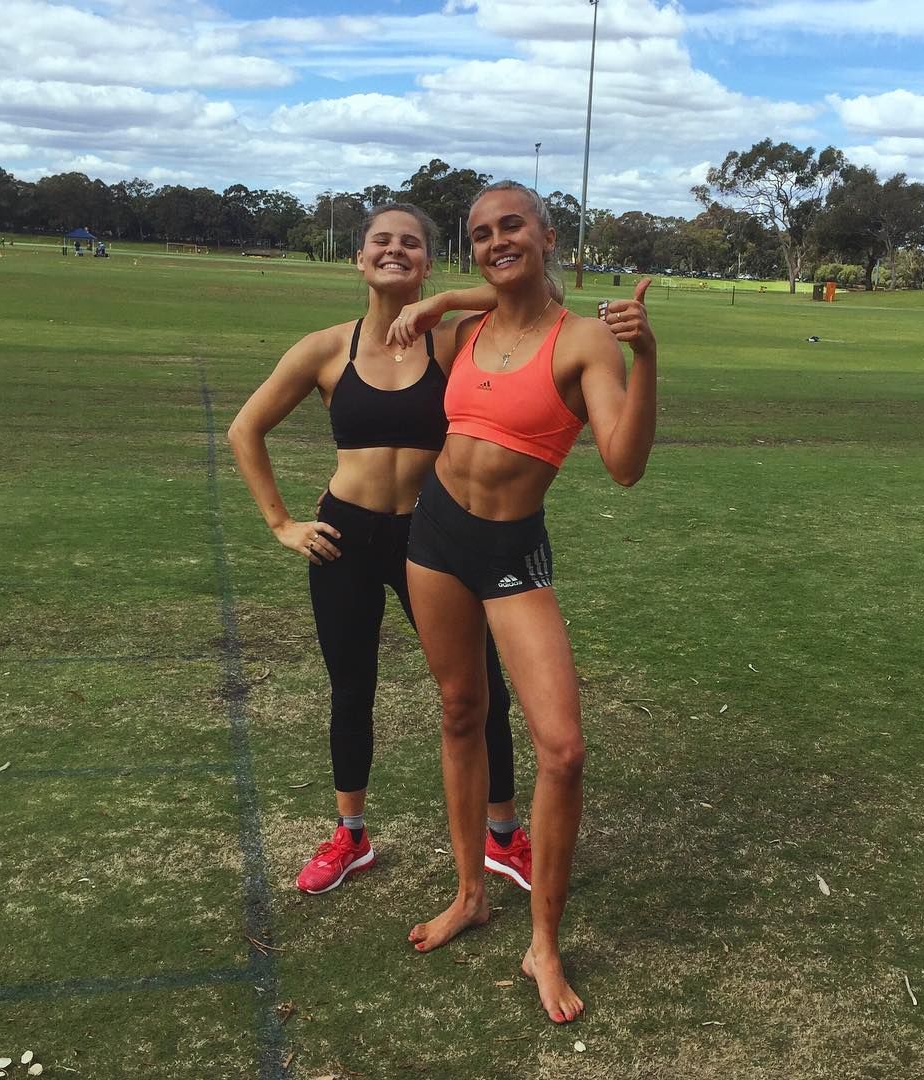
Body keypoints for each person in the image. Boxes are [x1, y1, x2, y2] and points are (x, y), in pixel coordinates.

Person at [394, 181, 656, 1024]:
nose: (497, 241)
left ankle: (544, 943)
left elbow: (624, 465)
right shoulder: (463, 332)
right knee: (459, 711)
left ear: (548, 235)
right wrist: (441, 298)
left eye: (513, 226)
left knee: (563, 750)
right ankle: (470, 893)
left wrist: (648, 358)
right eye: (481, 233)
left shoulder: (585, 341)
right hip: (434, 535)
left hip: (511, 553)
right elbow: (485, 295)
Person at [227, 202, 532, 897]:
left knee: (478, 690)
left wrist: (444, 303)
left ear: (428, 262)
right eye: (381, 241)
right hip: (345, 539)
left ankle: (504, 836)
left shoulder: (453, 340)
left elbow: (535, 292)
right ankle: (351, 835)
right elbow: (245, 430)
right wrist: (282, 524)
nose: (395, 250)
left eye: (411, 244)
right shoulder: (325, 349)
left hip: (435, 538)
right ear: (359, 259)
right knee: (351, 688)